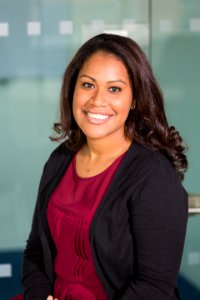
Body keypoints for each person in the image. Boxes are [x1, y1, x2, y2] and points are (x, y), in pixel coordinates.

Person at [22, 33, 188, 300]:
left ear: (135, 99)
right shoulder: (59, 160)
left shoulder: (153, 176)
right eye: (88, 85)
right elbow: (34, 250)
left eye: (114, 89)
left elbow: (154, 285)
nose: (97, 100)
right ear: (72, 89)